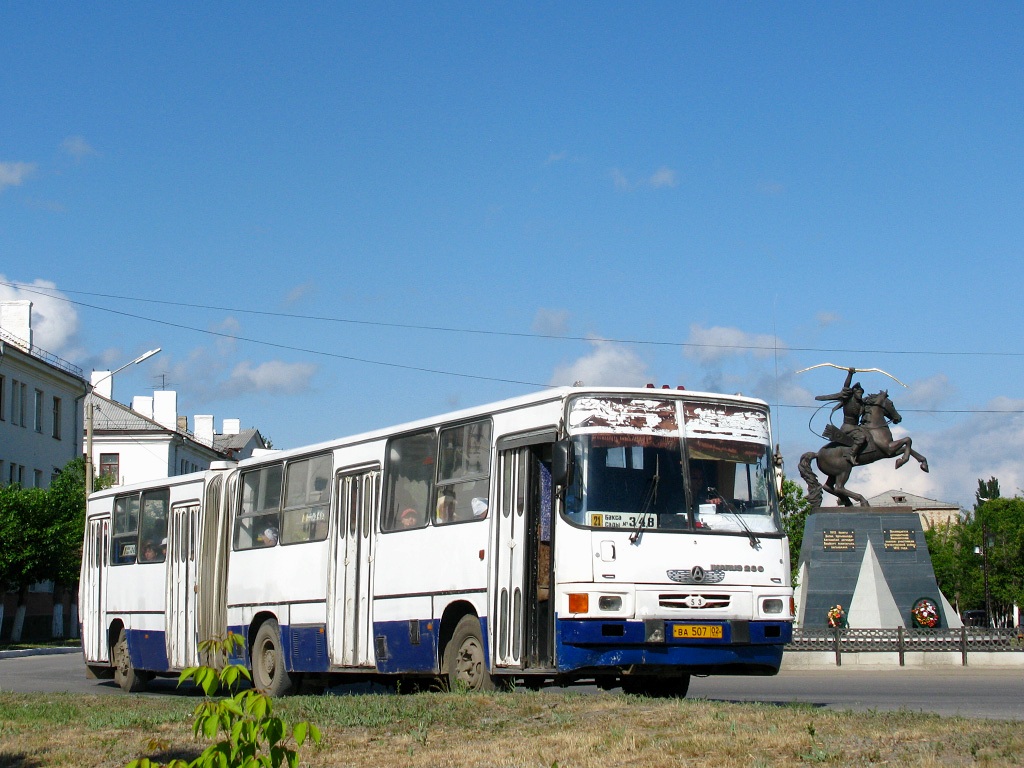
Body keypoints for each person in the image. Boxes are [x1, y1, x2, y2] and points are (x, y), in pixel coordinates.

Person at [815, 367, 869, 465]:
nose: (860, 395)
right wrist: (850, 374)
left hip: (857, 427)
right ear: (854, 393)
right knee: (861, 437)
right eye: (858, 393)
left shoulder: (862, 403)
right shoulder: (848, 399)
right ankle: (851, 455)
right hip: (848, 427)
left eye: (861, 393)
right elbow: (846, 387)